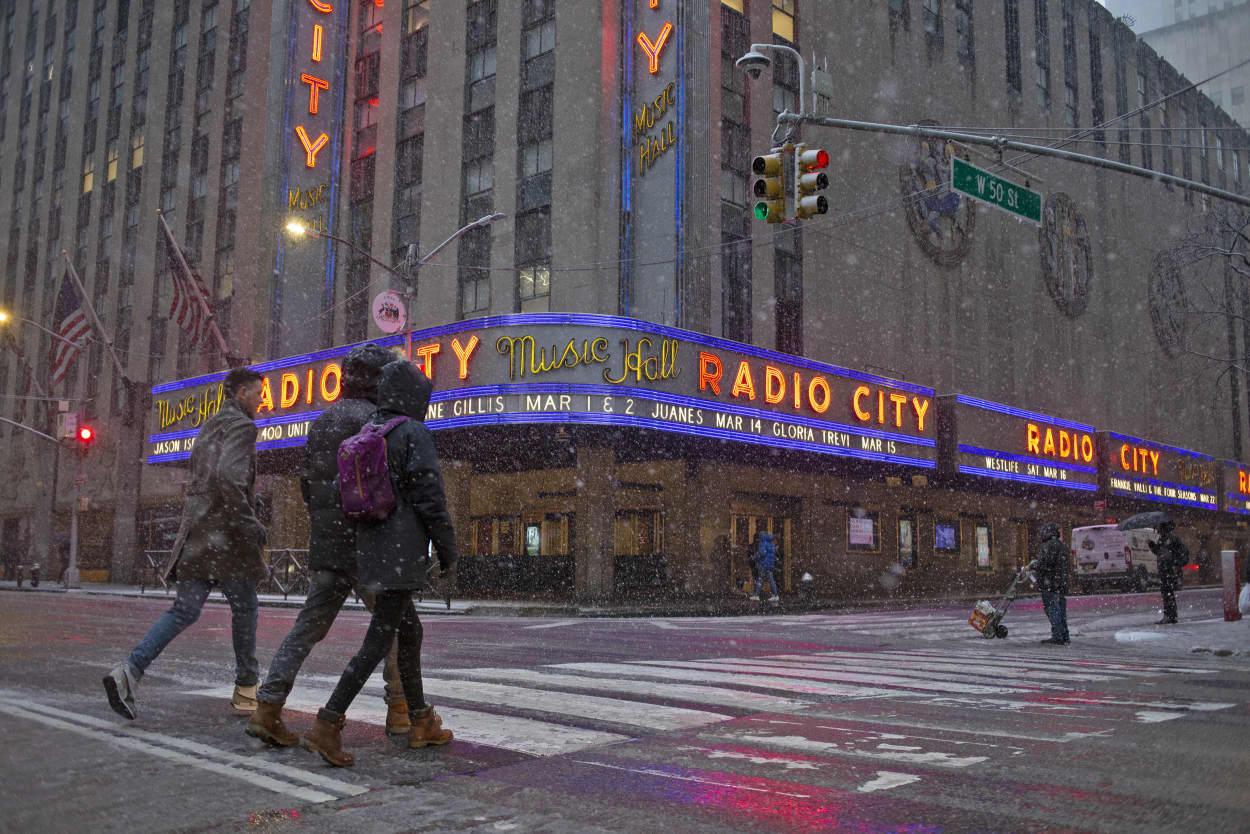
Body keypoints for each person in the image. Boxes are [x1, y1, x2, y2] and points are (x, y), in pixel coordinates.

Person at [246, 343, 412, 747]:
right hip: (372, 545)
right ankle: (402, 713)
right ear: (378, 380)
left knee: (307, 629)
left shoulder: (321, 423)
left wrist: (329, 522)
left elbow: (308, 485)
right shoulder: (378, 421)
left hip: (330, 543)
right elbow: (391, 487)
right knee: (398, 629)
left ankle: (267, 708)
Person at [301, 360, 458, 767]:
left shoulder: (370, 432)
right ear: (414, 396)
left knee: (409, 631)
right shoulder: (412, 432)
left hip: (369, 547)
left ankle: (421, 719)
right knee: (377, 641)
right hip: (401, 551)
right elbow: (430, 496)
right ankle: (327, 723)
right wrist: (447, 548)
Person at [103, 367, 267, 720]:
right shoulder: (243, 426)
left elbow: (200, 479)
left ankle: (129, 671)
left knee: (184, 611)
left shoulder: (209, 426)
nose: (261, 400)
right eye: (257, 393)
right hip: (227, 539)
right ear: (240, 393)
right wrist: (250, 523)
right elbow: (227, 476)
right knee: (245, 607)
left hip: (197, 535)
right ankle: (246, 690)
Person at [1033, 522, 1069, 645]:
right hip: (1060, 584)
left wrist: (1034, 565)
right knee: (1061, 611)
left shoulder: (1050, 545)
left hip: (1051, 584)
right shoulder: (1061, 545)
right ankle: (1064, 634)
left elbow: (1045, 563)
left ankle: (1057, 635)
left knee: (1052, 609)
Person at [1149, 521, 1188, 624]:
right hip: (1165, 570)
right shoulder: (1163, 539)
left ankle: (1170, 616)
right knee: (1166, 593)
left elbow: (1183, 552)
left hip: (1169, 570)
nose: (1156, 530)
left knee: (1168, 593)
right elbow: (1161, 553)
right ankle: (1170, 616)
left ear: (1163, 528)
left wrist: (1175, 563)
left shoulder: (1171, 539)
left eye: (1158, 528)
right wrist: (1153, 546)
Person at [751, 531, 778, 602]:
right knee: (771, 580)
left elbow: (762, 553)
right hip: (770, 564)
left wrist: (755, 557)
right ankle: (775, 595)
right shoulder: (771, 543)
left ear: (761, 536)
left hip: (764, 564)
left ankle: (757, 595)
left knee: (760, 579)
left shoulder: (763, 542)